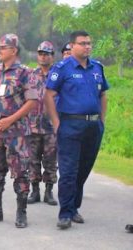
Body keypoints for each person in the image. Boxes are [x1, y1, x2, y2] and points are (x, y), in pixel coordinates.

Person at [45, 30, 109, 230]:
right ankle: (65, 213)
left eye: (89, 43)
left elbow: (103, 95)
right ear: (72, 46)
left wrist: (102, 121)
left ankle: (74, 208)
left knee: (83, 170)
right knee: (69, 171)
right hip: (70, 125)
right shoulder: (62, 68)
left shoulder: (97, 68)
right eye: (83, 43)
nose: (87, 46)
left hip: (93, 126)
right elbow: (49, 95)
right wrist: (56, 123)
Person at [0, 34, 38, 228]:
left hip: (16, 134)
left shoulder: (24, 73)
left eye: (3, 47)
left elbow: (32, 101)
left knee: (21, 173)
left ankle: (21, 212)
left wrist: (10, 120)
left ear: (14, 50)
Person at [26, 41, 58, 206]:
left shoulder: (58, 75)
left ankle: (49, 192)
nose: (43, 56)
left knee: (51, 160)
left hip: (51, 126)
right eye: (40, 53)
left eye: (46, 53)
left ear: (52, 56)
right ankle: (35, 191)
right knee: (33, 159)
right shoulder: (31, 74)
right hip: (32, 125)